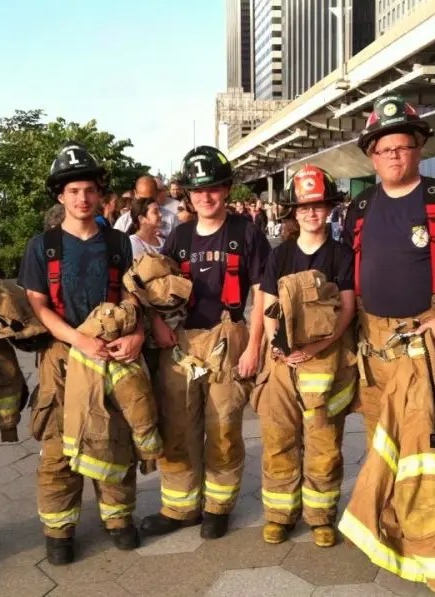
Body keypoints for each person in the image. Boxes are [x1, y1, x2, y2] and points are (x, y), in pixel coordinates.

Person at [339, 95, 435, 595]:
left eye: (404, 147)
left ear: (418, 149)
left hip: (431, 336)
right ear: (372, 155)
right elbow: (345, 278)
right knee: (388, 444)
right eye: (385, 149)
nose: (395, 156)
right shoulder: (358, 207)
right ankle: (400, 530)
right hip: (376, 344)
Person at [17, 142, 144, 564]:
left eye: (89, 190)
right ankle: (59, 532)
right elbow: (37, 305)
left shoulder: (118, 244)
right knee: (58, 446)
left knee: (115, 437)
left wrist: (135, 334)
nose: (82, 198)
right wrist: (77, 338)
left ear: (99, 194)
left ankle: (119, 519)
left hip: (112, 356)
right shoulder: (43, 246)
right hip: (63, 357)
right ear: (60, 196)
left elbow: (132, 295)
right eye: (73, 191)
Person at [141, 145, 270, 540]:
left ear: (227, 189)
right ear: (188, 195)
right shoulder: (178, 236)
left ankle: (218, 506)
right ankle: (180, 508)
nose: (205, 197)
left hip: (228, 341)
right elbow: (157, 287)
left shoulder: (246, 233)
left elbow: (265, 293)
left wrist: (255, 347)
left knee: (225, 427)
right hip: (181, 344)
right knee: (177, 426)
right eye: (197, 191)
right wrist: (158, 325)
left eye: (213, 188)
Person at [254, 165, 356, 548]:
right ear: (293, 212)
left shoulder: (341, 256)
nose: (311, 213)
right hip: (281, 365)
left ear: (328, 208)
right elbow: (266, 304)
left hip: (325, 364)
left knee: (324, 444)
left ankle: (321, 517)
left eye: (318, 206)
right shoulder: (279, 257)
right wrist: (275, 349)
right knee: (278, 440)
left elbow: (346, 310)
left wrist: (313, 349)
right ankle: (280, 515)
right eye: (304, 207)